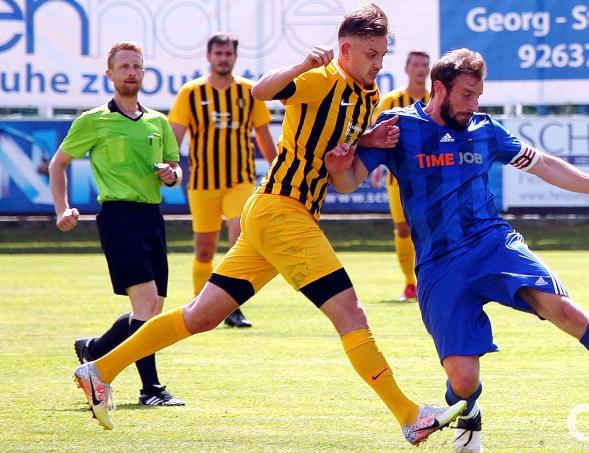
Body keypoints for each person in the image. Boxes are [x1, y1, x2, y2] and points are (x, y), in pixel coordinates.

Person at [71, 4, 466, 445]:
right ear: (345, 50)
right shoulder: (321, 79)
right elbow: (260, 91)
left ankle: (100, 369)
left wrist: (361, 146)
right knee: (351, 315)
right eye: (371, 54)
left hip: (276, 212)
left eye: (382, 55)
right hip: (282, 211)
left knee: (200, 316)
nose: (378, 63)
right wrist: (302, 64)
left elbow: (343, 179)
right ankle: (410, 415)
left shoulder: (369, 97)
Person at [325, 48, 589, 453]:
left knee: (565, 311)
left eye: (478, 95)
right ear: (439, 88)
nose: (474, 105)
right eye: (466, 95)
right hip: (439, 266)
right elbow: (348, 182)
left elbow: (544, 164)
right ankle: (469, 410)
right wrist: (338, 166)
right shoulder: (398, 127)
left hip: (493, 245)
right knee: (463, 380)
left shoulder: (486, 130)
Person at [49, 41, 185, 407]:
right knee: (146, 305)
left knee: (151, 309)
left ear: (144, 72)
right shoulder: (94, 120)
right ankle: (150, 389)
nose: (131, 72)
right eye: (124, 67)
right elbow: (58, 163)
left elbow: (175, 170)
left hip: (151, 217)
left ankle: (94, 348)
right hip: (118, 217)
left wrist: (171, 174)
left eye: (136, 66)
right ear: (109, 74)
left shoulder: (158, 121)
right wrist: (62, 208)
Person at [169, 33, 277, 328]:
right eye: (218, 53)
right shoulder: (191, 92)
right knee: (204, 249)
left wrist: (278, 168)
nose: (223, 58)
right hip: (203, 182)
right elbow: (175, 135)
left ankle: (232, 306)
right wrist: (168, 163)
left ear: (235, 56)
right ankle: (199, 305)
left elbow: (263, 135)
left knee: (239, 239)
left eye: (228, 53)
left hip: (239, 180)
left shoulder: (249, 91)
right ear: (209, 56)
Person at [370, 50, 430, 301]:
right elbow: (375, 136)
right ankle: (410, 283)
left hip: (430, 177)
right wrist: (375, 167)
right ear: (407, 69)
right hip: (398, 178)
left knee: (428, 229)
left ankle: (429, 280)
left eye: (424, 65)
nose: (420, 69)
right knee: (403, 229)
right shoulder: (391, 101)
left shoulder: (435, 100)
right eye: (415, 64)